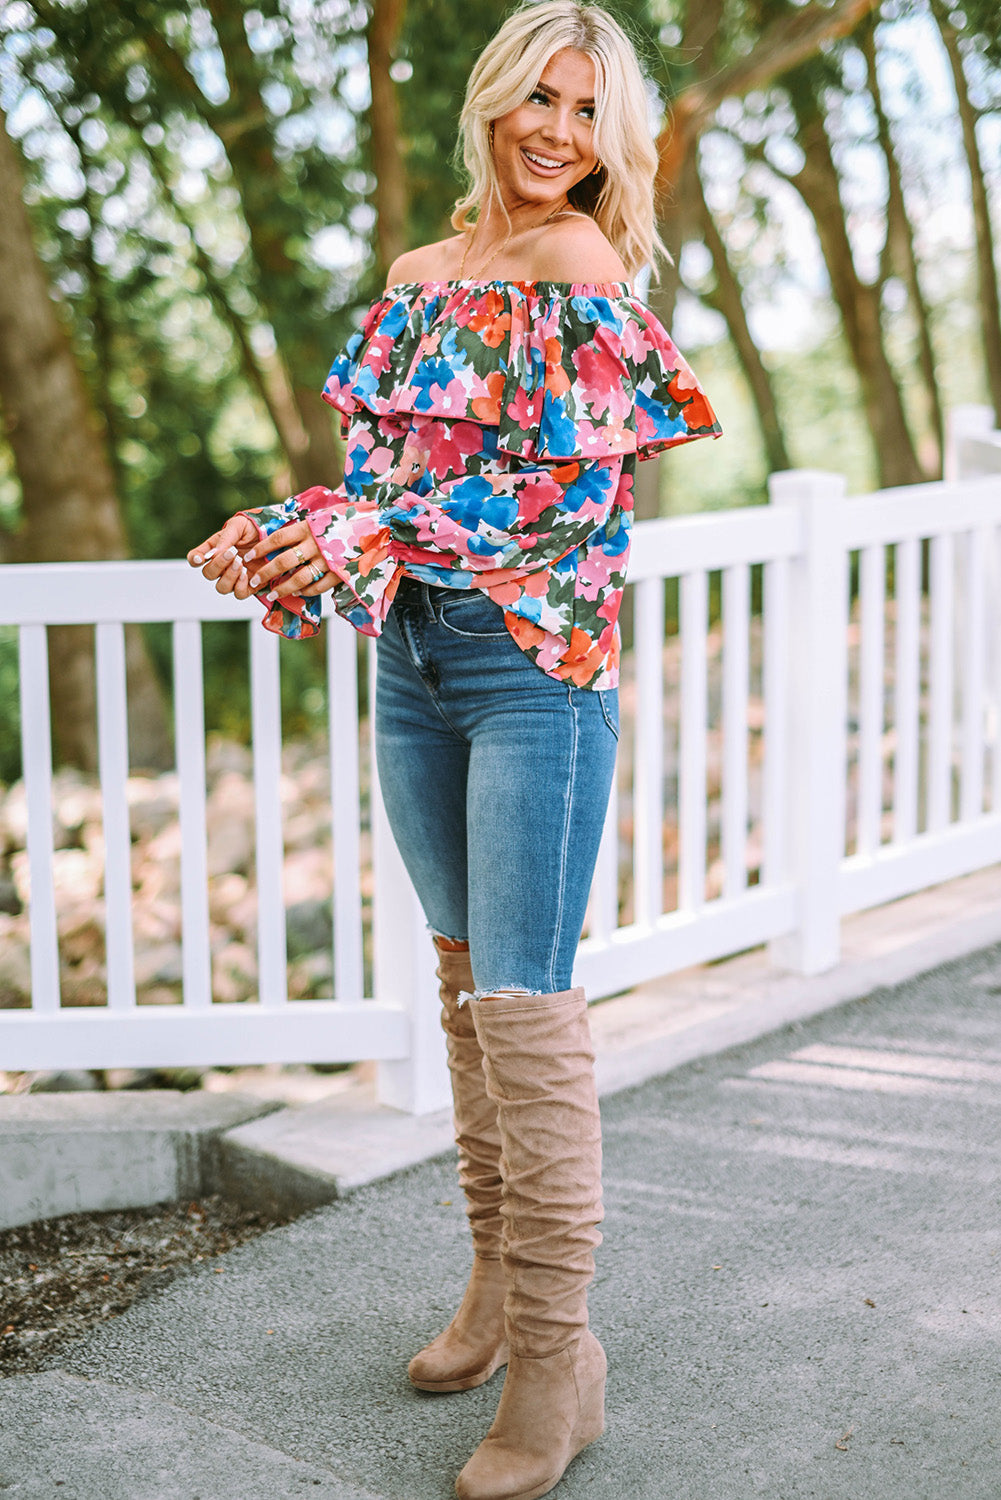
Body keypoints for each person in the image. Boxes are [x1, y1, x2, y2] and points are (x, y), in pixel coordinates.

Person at [188, 4, 720, 1495]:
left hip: (533, 672)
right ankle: (494, 1287)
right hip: (412, 663)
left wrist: (361, 525)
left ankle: (560, 1357)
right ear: (488, 103)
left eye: (585, 112)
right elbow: (396, 493)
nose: (555, 133)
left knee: (528, 1013)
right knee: (461, 990)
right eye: (535, 100)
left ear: (613, 141)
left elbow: (559, 516)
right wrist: (291, 534)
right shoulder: (420, 278)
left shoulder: (578, 268)